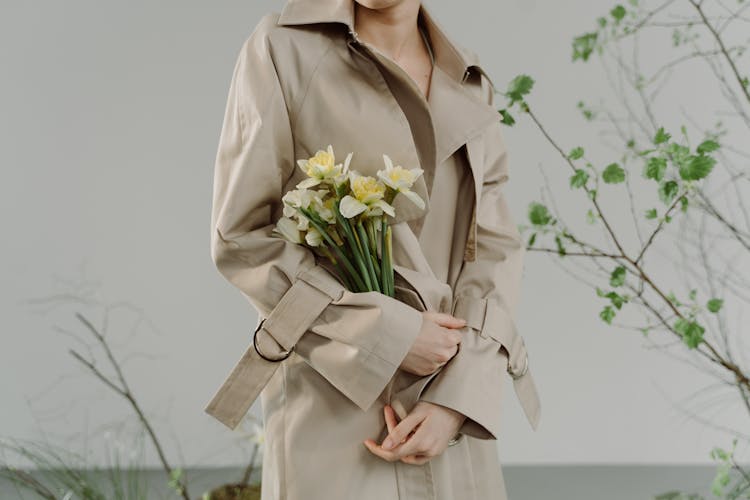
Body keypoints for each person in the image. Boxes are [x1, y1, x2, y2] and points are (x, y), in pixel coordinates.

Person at [206, 0, 541, 499]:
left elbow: (492, 251)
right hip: (335, 410)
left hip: (448, 414)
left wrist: (459, 398)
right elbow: (243, 237)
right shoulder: (282, 48)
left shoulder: (467, 79)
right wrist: (388, 334)